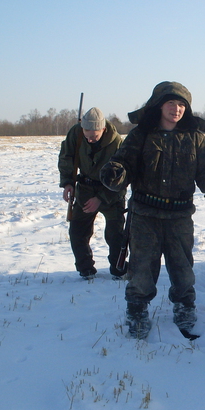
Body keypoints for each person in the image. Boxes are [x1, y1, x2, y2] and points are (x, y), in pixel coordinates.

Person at [101, 81, 205, 340]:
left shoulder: (195, 138)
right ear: (159, 106)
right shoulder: (141, 135)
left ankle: (185, 308)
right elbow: (122, 163)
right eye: (171, 103)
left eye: (182, 104)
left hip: (180, 217)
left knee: (183, 269)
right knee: (141, 268)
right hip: (145, 215)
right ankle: (137, 311)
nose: (177, 109)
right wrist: (115, 172)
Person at [58, 107, 126, 280]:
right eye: (86, 134)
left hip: (110, 191)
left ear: (103, 130)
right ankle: (85, 269)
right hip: (85, 189)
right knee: (77, 231)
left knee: (115, 234)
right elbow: (67, 156)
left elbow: (121, 178)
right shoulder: (76, 133)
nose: (89, 139)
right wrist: (67, 182)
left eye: (93, 136)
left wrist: (101, 199)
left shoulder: (118, 143)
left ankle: (119, 269)